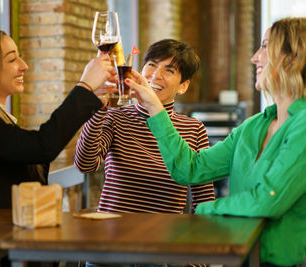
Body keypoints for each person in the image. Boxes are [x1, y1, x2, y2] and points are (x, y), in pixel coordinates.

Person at [127, 17, 306, 267]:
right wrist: (156, 108)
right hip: (239, 259)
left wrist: (204, 211)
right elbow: (189, 168)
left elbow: (268, 200)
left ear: (294, 57)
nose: (255, 57)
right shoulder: (253, 126)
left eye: (265, 46)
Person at [0, 29, 115, 211]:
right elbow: (43, 146)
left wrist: (90, 95)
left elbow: (32, 154)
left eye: (20, 57)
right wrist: (84, 87)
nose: (24, 65)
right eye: (12, 59)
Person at [75, 39, 215, 215]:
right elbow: (85, 165)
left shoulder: (194, 129)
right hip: (113, 233)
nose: (155, 75)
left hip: (165, 237)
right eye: (151, 65)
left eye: (169, 70)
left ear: (183, 86)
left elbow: (204, 198)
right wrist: (98, 107)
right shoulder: (115, 117)